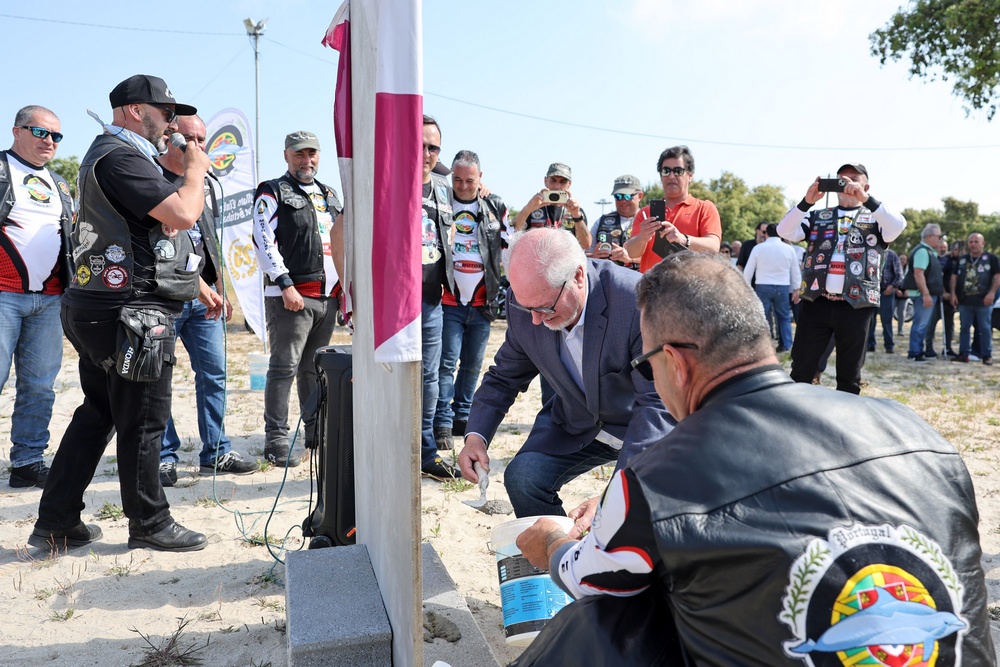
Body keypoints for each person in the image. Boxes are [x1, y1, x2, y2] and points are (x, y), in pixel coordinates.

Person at [515, 252, 994, 665]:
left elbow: (592, 581)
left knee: (605, 619)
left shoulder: (659, 476)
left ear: (676, 365)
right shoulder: (916, 430)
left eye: (648, 365)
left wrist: (552, 545)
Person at [30, 74, 217, 552]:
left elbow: (148, 237)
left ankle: (56, 521)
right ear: (136, 110)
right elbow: (181, 215)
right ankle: (150, 523)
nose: (172, 122)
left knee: (100, 412)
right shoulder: (120, 156)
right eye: (166, 112)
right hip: (130, 312)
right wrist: (194, 170)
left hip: (104, 307)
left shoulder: (118, 154)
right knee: (145, 419)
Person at [456, 228, 674, 521]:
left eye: (545, 307)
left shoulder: (637, 303)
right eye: (526, 307)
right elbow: (504, 378)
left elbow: (657, 405)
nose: (534, 319)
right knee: (524, 479)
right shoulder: (525, 301)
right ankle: (559, 555)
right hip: (577, 423)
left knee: (626, 515)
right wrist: (476, 438)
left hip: (642, 427)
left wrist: (615, 495)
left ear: (579, 277)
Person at [157, 115, 255, 486]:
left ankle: (216, 450)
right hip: (165, 295)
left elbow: (208, 238)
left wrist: (218, 286)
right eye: (189, 138)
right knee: (159, 379)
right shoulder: (150, 178)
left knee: (214, 374)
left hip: (205, 299)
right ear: (169, 137)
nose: (196, 146)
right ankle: (163, 456)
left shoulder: (207, 184)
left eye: (202, 139)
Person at [252, 131, 342, 468]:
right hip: (290, 297)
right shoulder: (272, 190)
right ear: (287, 156)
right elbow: (262, 238)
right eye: (299, 154)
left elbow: (343, 237)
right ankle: (276, 439)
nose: (307, 161)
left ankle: (315, 434)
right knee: (284, 368)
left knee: (314, 370)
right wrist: (284, 282)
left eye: (312, 154)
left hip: (327, 298)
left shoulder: (329, 194)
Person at [777, 163, 906, 393]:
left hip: (856, 304)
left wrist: (866, 198)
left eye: (853, 178)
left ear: (866, 184)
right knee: (801, 369)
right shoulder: (818, 215)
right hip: (817, 301)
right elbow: (784, 231)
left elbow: (898, 226)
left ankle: (847, 420)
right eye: (841, 179)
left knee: (849, 374)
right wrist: (807, 201)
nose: (846, 183)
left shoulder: (876, 217)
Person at [0, 106, 74, 489]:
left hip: (48, 300)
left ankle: (27, 461)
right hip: (3, 296)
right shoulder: (1, 169)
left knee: (40, 385)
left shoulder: (61, 184)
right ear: (16, 131)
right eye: (41, 132)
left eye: (57, 136)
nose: (50, 142)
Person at [432, 150, 507, 450]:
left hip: (482, 300)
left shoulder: (493, 204)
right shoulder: (440, 200)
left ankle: (463, 416)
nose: (463, 186)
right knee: (446, 363)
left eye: (470, 180)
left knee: (473, 365)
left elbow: (507, 242)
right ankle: (442, 422)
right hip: (449, 298)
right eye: (458, 179)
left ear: (481, 178)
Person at [418, 116, 459, 480]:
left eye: (433, 147)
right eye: (420, 145)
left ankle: (425, 452)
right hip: (396, 304)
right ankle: (392, 447)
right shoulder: (393, 185)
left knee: (430, 378)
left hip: (432, 301)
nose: (427, 153)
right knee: (393, 375)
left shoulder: (444, 192)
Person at [624, 145, 722, 273]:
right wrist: (642, 237)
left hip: (692, 287)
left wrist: (684, 239)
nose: (671, 176)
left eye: (678, 171)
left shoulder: (705, 208)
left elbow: (714, 247)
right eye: (666, 171)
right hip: (652, 289)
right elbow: (631, 253)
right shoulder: (645, 213)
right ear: (660, 176)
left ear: (690, 175)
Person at [743, 223, 800, 352]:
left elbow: (749, 270)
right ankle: (786, 345)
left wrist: (745, 286)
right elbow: (795, 271)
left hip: (762, 285)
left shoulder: (758, 248)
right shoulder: (789, 249)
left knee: (762, 316)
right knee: (784, 317)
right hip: (782, 287)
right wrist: (797, 288)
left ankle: (762, 345)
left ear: (765, 233)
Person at [512, 163, 591, 251]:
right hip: (537, 261)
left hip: (565, 262)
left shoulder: (575, 211)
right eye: (553, 181)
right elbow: (513, 230)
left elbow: (586, 245)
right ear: (545, 181)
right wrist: (529, 208)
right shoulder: (533, 206)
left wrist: (576, 216)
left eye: (563, 182)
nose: (557, 186)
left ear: (569, 184)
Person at [950, 232, 999, 365]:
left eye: (976, 242)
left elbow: (997, 277)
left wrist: (992, 293)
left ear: (983, 243)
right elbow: (954, 277)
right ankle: (964, 354)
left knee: (985, 328)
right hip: (965, 301)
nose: (973, 244)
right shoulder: (963, 259)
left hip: (984, 301)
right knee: (964, 328)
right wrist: (953, 294)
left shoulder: (991, 258)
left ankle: (986, 355)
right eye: (971, 242)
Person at [903, 224, 945, 362]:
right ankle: (915, 352)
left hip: (924, 293)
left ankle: (917, 350)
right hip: (921, 294)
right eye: (938, 236)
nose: (940, 239)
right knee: (920, 324)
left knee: (922, 324)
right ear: (930, 236)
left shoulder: (928, 251)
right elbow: (918, 274)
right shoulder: (922, 251)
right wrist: (926, 294)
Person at [588, 175, 642, 269]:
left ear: (640, 196)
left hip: (641, 280)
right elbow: (584, 255)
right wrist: (594, 256)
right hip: (608, 280)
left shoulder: (649, 221)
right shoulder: (601, 221)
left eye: (628, 196)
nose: (623, 201)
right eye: (618, 196)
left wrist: (631, 258)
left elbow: (661, 258)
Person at [924, 238, 959, 358]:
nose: (942, 249)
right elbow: (937, 277)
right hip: (936, 297)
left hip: (949, 299)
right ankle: (928, 348)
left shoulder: (954, 260)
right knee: (931, 324)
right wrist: (943, 292)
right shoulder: (934, 259)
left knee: (949, 325)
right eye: (940, 247)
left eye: (944, 247)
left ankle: (948, 348)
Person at [866, 247, 904, 353]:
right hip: (871, 292)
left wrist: (892, 287)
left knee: (887, 320)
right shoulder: (870, 253)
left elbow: (900, 275)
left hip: (886, 292)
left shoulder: (892, 255)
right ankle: (870, 344)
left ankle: (889, 345)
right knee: (870, 320)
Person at [895, 251, 909, 335]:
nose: (902, 261)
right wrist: (896, 290)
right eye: (901, 259)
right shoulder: (894, 267)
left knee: (902, 313)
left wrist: (907, 290)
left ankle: (900, 330)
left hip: (904, 294)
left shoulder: (909, 269)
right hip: (894, 292)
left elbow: (911, 280)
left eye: (904, 259)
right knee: (889, 313)